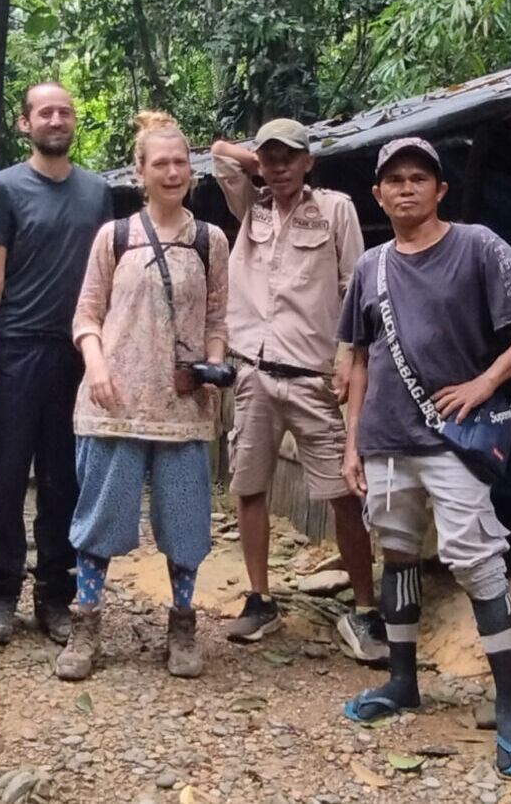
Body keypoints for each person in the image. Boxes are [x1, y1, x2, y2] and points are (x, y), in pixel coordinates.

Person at [337, 137, 511, 777]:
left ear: (441, 190)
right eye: (394, 180)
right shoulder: (370, 266)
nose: (406, 188)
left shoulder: (477, 245)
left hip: (452, 439)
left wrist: (487, 380)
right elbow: (356, 358)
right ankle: (403, 682)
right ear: (378, 194)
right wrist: (352, 440)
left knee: (476, 558)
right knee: (399, 554)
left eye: (420, 178)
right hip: (384, 440)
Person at [52, 111, 230, 681]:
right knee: (99, 520)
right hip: (114, 403)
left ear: (191, 170)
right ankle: (86, 623)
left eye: (180, 162)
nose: (172, 172)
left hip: (183, 406)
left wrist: (215, 363)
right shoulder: (116, 236)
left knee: (184, 521)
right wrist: (98, 365)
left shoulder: (211, 240)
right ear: (141, 172)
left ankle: (182, 625)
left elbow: (218, 320)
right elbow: (86, 313)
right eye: (161, 163)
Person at [210, 120, 385, 662]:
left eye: (291, 156)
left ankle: (364, 609)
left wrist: (348, 362)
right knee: (250, 486)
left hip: (314, 376)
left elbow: (354, 289)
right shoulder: (252, 208)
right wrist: (257, 165)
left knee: (343, 494)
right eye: (270, 157)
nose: (279, 166)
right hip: (254, 372)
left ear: (311, 161)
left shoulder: (335, 209)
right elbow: (218, 154)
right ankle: (260, 599)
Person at [0, 82, 113, 646]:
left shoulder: (97, 192)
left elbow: (103, 281)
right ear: (24, 124)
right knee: (3, 476)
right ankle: (0, 590)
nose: (56, 119)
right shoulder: (1, 189)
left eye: (65, 111)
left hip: (75, 352)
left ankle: (55, 593)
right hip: (15, 349)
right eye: (44, 112)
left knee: (65, 479)